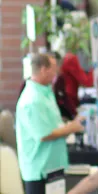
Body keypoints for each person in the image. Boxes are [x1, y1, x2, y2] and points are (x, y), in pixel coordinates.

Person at [16, 53, 85, 194]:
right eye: (53, 68)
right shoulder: (33, 99)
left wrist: (68, 124)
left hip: (52, 165)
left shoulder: (46, 92)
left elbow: (53, 124)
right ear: (43, 69)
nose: (57, 72)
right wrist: (72, 127)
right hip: (39, 170)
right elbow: (44, 134)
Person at [55, 51, 94, 119]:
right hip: (69, 102)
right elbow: (87, 82)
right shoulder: (71, 60)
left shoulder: (67, 60)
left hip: (66, 102)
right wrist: (93, 69)